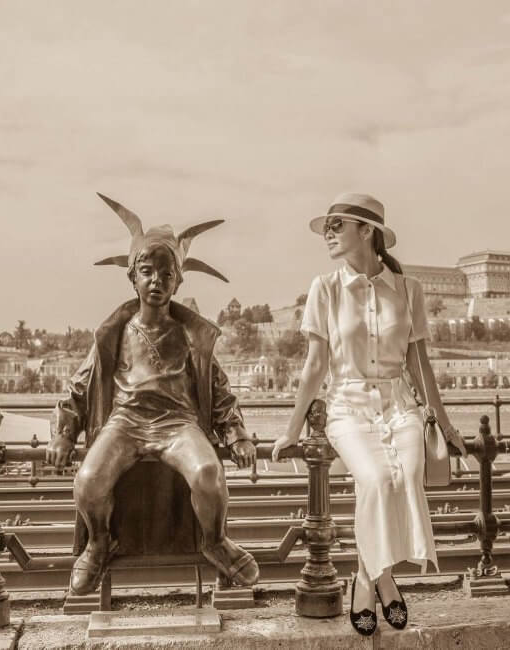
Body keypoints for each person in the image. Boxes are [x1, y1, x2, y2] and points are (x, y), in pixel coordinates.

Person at [271, 192, 466, 635]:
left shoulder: (409, 290)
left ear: (367, 231)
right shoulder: (325, 288)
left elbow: (419, 364)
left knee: (406, 476)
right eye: (327, 228)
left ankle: (366, 575)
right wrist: (291, 428)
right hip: (348, 405)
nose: (328, 234)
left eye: (336, 226)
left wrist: (445, 423)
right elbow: (315, 365)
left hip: (401, 405)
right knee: (376, 480)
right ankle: (377, 578)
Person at [46, 193, 259, 596]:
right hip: (125, 423)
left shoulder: (190, 336)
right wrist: (63, 431)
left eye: (166, 274)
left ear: (178, 281)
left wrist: (236, 433)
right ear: (133, 277)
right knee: (89, 480)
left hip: (178, 425)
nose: (157, 281)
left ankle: (215, 541)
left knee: (208, 474)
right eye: (147, 272)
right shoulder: (115, 334)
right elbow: (80, 386)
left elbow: (219, 391)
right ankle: (98, 541)